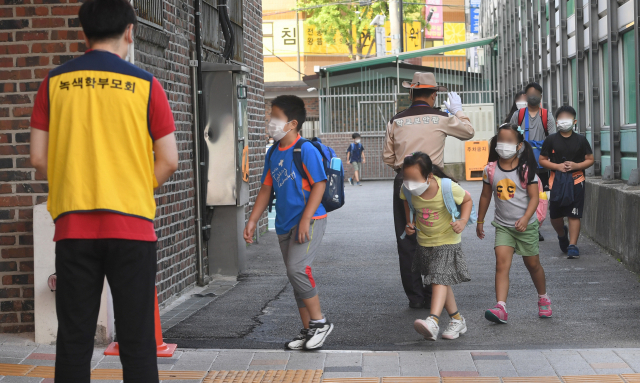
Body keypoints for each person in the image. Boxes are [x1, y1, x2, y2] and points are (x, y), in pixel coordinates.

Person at [29, 0, 179, 381]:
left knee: (75, 338)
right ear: (130, 31)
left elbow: (38, 158)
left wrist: (75, 180)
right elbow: (169, 160)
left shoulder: (54, 83)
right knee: (138, 340)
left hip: (73, 228)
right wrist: (128, 185)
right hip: (133, 228)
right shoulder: (147, 85)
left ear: (84, 33)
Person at [243, 95, 333, 351]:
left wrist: (305, 219)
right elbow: (265, 189)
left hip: (310, 220)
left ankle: (320, 323)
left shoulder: (305, 150)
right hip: (285, 223)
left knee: (297, 270)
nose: (270, 121)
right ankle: (308, 331)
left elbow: (320, 184)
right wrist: (252, 220)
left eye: (275, 117)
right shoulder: (273, 152)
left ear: (292, 123)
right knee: (295, 278)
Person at [383, 72, 474, 309]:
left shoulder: (396, 120)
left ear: (411, 93)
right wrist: (457, 111)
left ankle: (415, 297)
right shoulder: (441, 117)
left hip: (405, 181)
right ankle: (436, 293)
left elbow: (388, 157)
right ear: (434, 95)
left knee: (408, 236)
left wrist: (404, 170)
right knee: (437, 237)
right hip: (434, 181)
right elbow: (468, 132)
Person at [477, 123, 552, 324]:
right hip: (503, 226)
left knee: (533, 264)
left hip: (526, 226)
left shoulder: (527, 171)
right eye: (501, 141)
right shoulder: (490, 170)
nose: (504, 145)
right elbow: (485, 196)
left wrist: (526, 218)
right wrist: (480, 220)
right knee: (501, 264)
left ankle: (543, 297)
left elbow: (534, 198)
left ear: (519, 146)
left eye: (509, 141)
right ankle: (500, 307)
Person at [401, 153, 473, 341]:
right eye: (406, 179)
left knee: (438, 278)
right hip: (425, 241)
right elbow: (407, 204)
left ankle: (433, 321)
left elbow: (467, 199)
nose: (409, 183)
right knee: (440, 279)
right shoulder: (407, 189)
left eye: (414, 179)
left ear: (429, 176)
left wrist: (463, 221)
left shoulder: (447, 188)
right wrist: (410, 223)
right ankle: (457, 319)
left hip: (448, 240)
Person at [539, 106, 594, 259]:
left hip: (577, 180)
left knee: (574, 214)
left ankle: (573, 245)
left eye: (567, 119)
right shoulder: (550, 140)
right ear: (556, 122)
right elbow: (542, 160)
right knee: (555, 217)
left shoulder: (581, 140)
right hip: (556, 181)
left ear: (574, 121)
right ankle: (562, 235)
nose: (564, 122)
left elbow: (590, 159)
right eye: (561, 119)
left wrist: (577, 166)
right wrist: (557, 166)